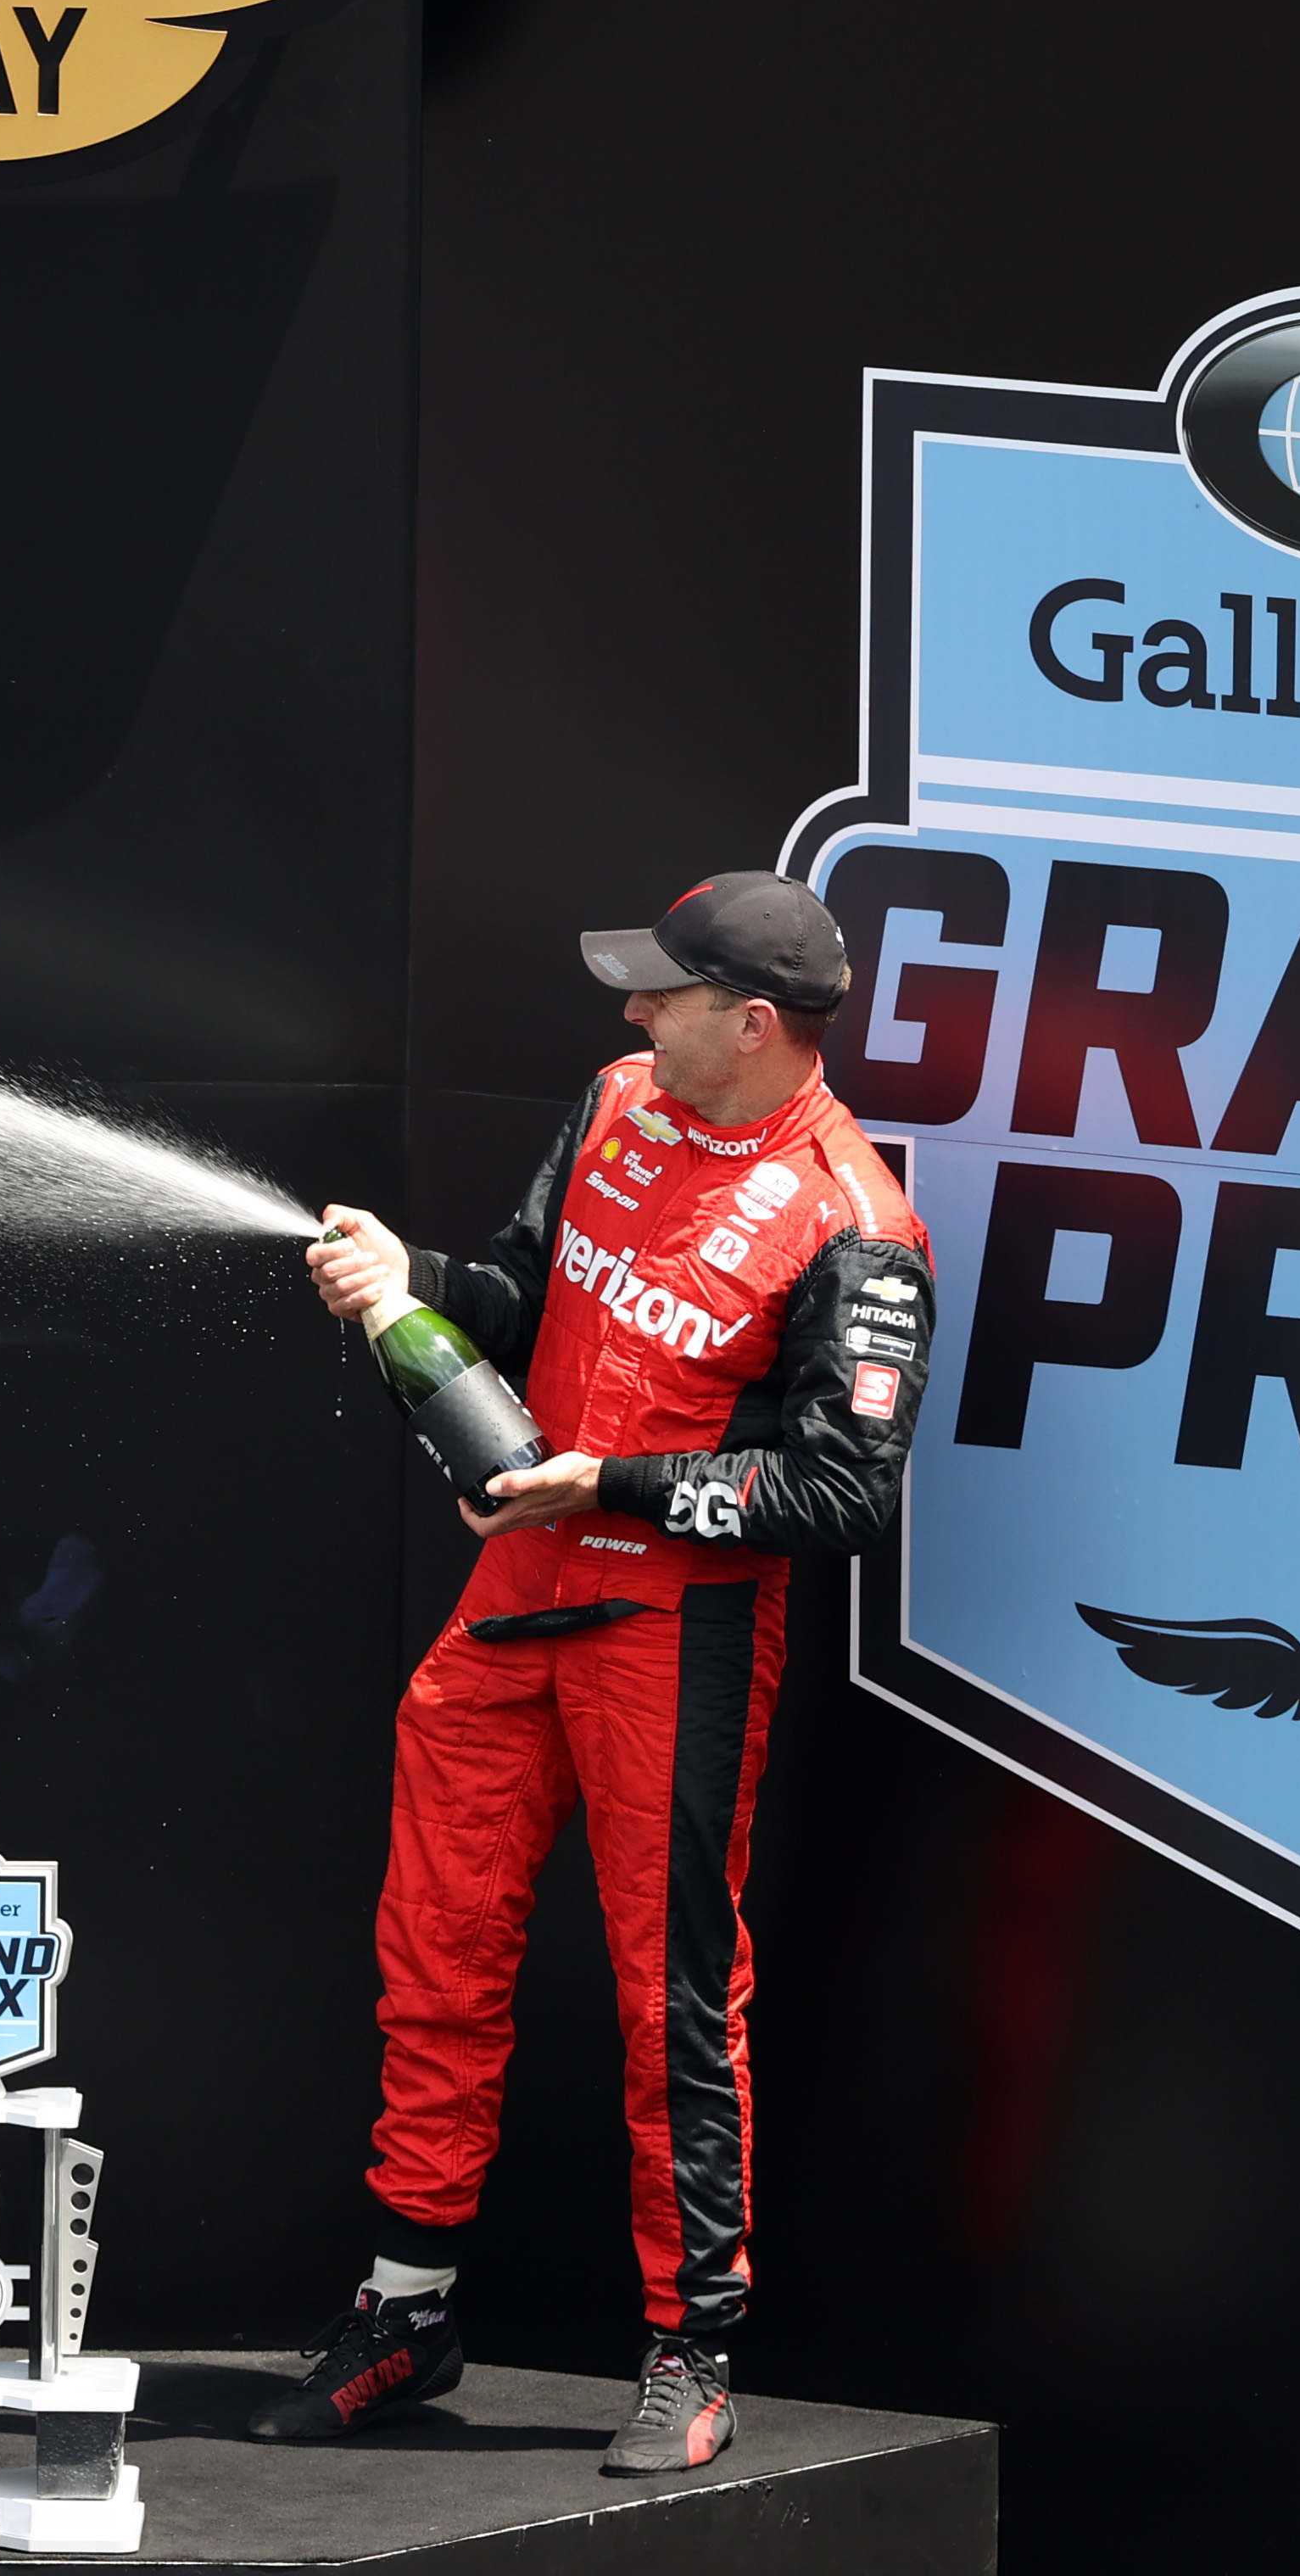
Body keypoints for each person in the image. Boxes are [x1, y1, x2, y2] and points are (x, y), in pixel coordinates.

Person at [266, 873, 933, 2477]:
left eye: (664, 995)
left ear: (751, 1024)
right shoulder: (622, 1101)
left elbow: (847, 1497)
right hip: (516, 1595)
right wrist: (405, 1276)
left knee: (673, 2004)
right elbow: (517, 1290)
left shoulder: (860, 1224)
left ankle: (689, 2348)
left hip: (677, 1635)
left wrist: (611, 1484)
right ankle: (405, 2313)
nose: (632, 1016)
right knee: (436, 1951)